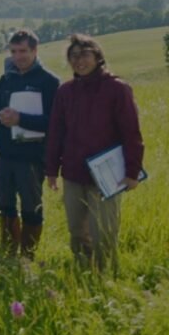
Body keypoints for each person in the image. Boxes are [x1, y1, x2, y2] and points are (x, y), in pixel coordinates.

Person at [45, 34, 144, 271]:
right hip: (73, 172)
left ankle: (105, 277)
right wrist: (51, 170)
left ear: (98, 56)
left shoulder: (117, 89)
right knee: (77, 231)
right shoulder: (65, 91)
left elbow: (132, 133)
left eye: (85, 54)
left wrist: (132, 171)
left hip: (108, 175)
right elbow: (56, 132)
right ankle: (82, 272)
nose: (79, 61)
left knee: (104, 232)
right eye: (74, 56)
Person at [0, 30, 60, 258]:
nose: (18, 56)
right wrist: (0, 116)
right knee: (5, 206)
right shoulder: (7, 78)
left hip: (32, 157)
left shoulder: (49, 82)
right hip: (5, 155)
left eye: (24, 51)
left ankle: (28, 256)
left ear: (35, 51)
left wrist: (21, 119)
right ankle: (8, 252)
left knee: (31, 208)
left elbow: (55, 123)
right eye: (14, 51)